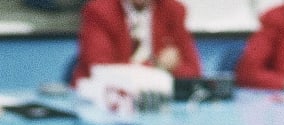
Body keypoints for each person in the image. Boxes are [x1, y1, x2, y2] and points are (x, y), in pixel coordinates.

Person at [71, 0, 202, 86]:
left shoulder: (173, 10)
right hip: (103, 102)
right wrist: (158, 67)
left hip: (155, 102)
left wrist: (174, 68)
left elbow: (194, 72)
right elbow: (100, 69)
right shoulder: (99, 10)